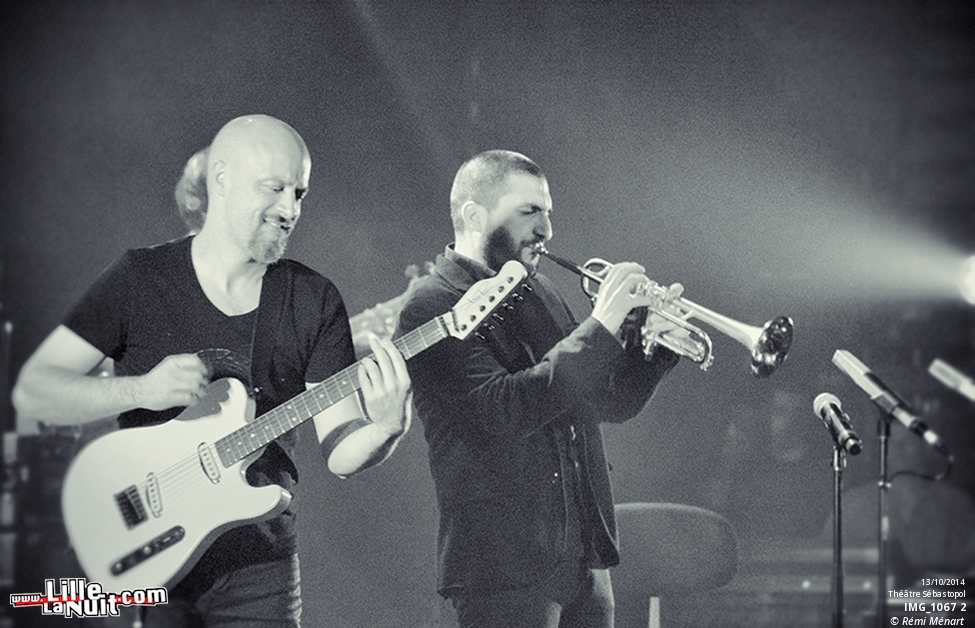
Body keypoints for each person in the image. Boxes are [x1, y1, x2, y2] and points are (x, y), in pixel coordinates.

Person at [11, 114, 412, 626]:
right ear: (222, 179)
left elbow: (340, 454)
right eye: (275, 188)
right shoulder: (139, 278)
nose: (290, 209)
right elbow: (36, 391)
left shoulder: (312, 299)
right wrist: (139, 390)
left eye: (300, 193)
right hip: (142, 556)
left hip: (258, 569)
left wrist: (384, 427)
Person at [394, 149, 681, 628]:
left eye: (548, 212)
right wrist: (601, 325)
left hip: (582, 556)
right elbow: (502, 411)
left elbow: (603, 400)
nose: (546, 229)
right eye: (529, 211)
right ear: (474, 215)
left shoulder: (539, 289)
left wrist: (649, 350)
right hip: (501, 564)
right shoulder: (431, 306)